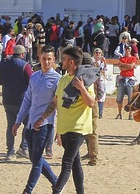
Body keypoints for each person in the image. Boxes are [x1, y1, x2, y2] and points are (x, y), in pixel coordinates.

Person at [43, 45, 96, 194]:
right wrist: (45, 121)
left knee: (66, 162)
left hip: (78, 128)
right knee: (75, 163)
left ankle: (56, 191)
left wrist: (82, 88)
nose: (62, 62)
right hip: (65, 127)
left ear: (72, 62)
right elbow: (56, 102)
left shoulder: (85, 80)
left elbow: (91, 103)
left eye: (65, 59)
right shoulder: (63, 79)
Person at [12, 48, 61, 194]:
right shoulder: (34, 77)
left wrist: (57, 129)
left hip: (45, 124)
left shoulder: (57, 79)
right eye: (44, 58)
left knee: (37, 158)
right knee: (35, 159)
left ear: (53, 60)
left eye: (49, 59)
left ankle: (28, 190)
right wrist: (18, 121)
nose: (46, 62)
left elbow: (57, 104)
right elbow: (27, 100)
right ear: (39, 59)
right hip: (30, 123)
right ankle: (56, 182)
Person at [0, 43, 34, 159]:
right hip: (22, 99)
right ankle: (23, 147)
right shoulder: (25, 66)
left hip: (8, 98)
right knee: (27, 124)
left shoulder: (4, 64)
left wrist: (7, 83)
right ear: (22, 54)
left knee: (11, 125)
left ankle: (10, 151)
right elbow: (31, 80)